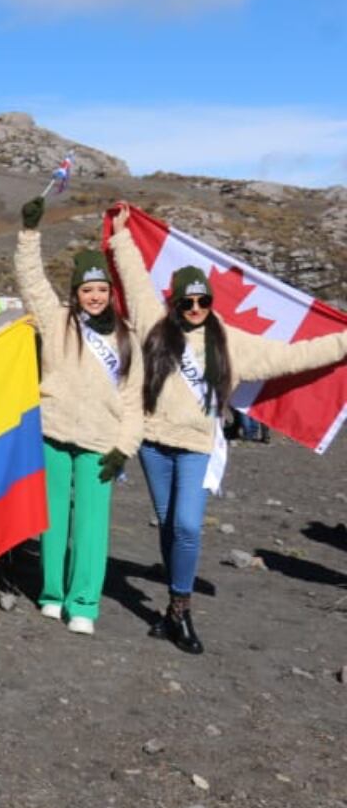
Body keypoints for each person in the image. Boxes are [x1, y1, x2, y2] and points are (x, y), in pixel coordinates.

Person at [109, 205, 347, 654]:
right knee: (166, 524)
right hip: (155, 445)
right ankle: (170, 606)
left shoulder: (231, 342)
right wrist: (122, 236)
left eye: (203, 301)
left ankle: (180, 610)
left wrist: (344, 341)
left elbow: (293, 355)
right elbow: (134, 276)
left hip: (198, 446)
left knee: (187, 526)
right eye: (187, 302)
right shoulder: (153, 325)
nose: (196, 309)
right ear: (174, 301)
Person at [16, 198, 143, 636]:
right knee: (51, 522)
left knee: (91, 527)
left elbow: (132, 402)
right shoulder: (57, 321)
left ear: (109, 293)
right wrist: (29, 233)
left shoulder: (127, 338)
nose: (94, 297)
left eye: (101, 290)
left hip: (99, 443)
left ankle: (84, 602)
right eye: (87, 290)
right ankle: (52, 594)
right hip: (53, 432)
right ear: (76, 292)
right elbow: (31, 280)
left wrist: (124, 449)